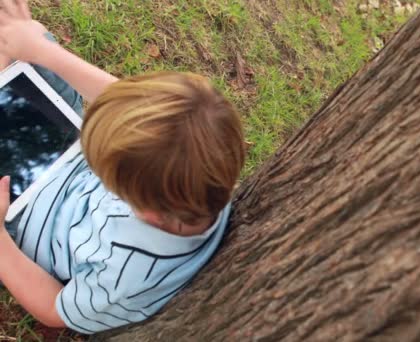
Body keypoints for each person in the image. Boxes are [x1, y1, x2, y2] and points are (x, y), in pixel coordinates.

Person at [0, 0, 245, 334]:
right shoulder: (203, 170)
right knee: (21, 46)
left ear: (142, 210)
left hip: (22, 212)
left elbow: (55, 309)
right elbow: (129, 103)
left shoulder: (125, 283)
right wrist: (41, 51)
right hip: (61, 145)